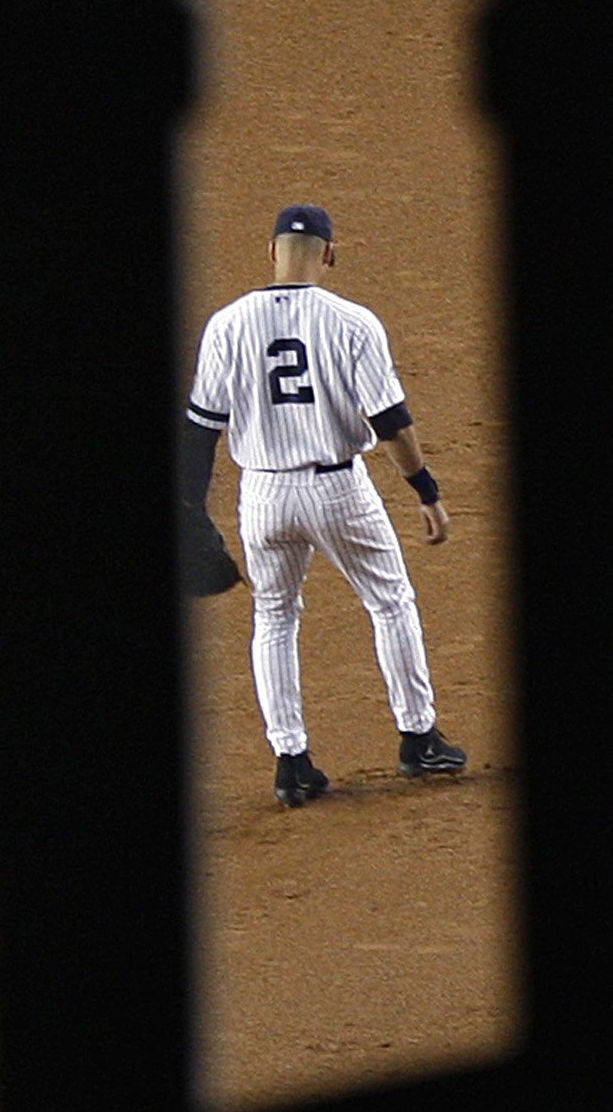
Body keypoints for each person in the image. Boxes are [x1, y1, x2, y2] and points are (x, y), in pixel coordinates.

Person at [181, 202, 467, 805]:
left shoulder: (226, 324)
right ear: (330, 255)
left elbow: (202, 428)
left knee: (274, 618)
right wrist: (426, 492)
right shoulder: (353, 322)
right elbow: (391, 423)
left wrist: (189, 507)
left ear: (271, 251)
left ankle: (291, 763)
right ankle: (419, 740)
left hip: (261, 494)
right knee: (390, 601)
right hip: (338, 489)